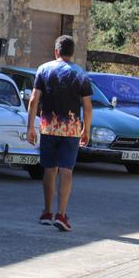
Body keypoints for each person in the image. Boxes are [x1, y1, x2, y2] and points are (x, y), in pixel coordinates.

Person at [26, 35, 93, 232]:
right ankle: (62, 215)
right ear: (72, 53)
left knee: (49, 169)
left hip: (48, 126)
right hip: (71, 129)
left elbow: (33, 100)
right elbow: (87, 106)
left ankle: (47, 212)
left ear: (56, 51)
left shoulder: (44, 69)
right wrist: (86, 129)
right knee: (66, 171)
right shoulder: (81, 74)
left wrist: (30, 126)